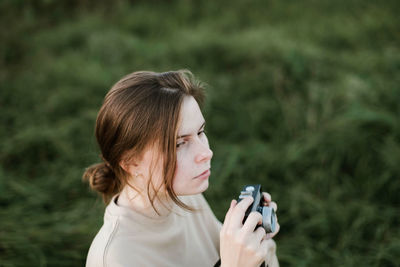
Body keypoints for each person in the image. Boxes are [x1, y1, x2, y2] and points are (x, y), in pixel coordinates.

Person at [83, 70, 280, 267]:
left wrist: (255, 241)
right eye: (179, 144)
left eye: (200, 132)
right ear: (131, 162)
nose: (206, 153)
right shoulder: (114, 258)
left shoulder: (184, 198)